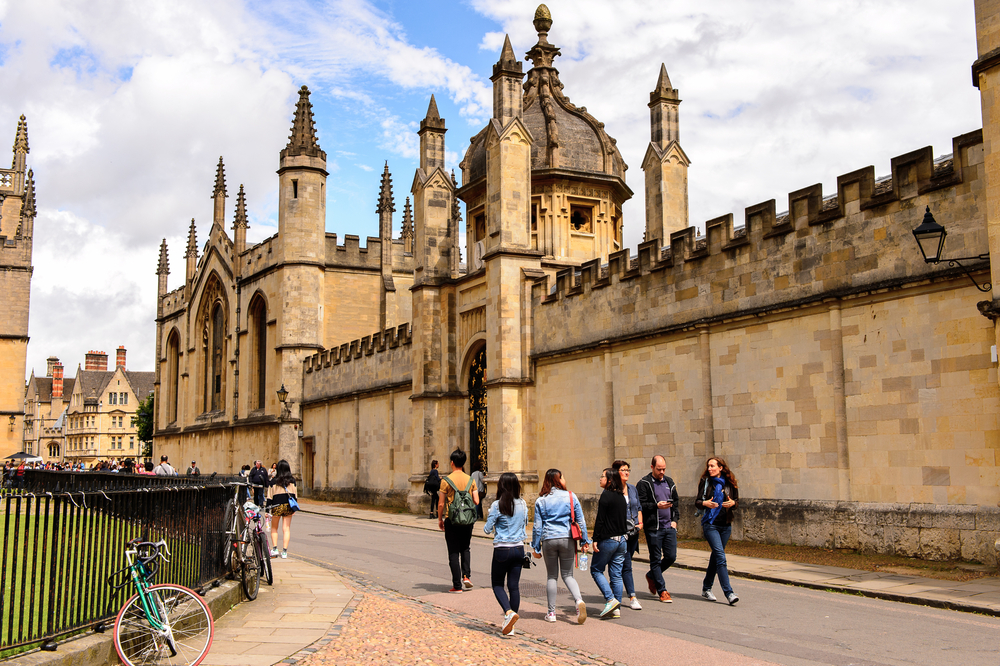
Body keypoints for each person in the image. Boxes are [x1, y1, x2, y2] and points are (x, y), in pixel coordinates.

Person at [531, 468, 590, 624]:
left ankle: (551, 613)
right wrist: (585, 541)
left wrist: (535, 547)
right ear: (558, 480)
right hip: (567, 538)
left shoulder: (541, 500)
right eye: (562, 477)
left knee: (552, 576)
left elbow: (537, 526)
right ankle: (578, 601)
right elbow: (581, 521)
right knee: (568, 575)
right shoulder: (570, 496)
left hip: (549, 539)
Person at [483, 472, 528, 636]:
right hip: (518, 548)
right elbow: (525, 523)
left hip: (502, 548)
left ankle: (508, 612)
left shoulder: (497, 505)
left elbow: (487, 529)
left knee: (497, 584)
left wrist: (491, 515)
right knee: (514, 586)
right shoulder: (522, 503)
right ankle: (512, 626)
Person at [695, 457, 740, 605]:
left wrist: (733, 503)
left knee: (716, 557)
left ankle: (706, 588)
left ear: (721, 467)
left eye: (712, 466)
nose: (709, 468)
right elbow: (697, 502)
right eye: (708, 466)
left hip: (725, 525)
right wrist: (705, 503)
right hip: (710, 524)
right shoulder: (706, 482)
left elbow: (736, 502)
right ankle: (729, 593)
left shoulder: (730, 483)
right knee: (721, 557)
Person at [637, 454, 679, 602]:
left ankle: (651, 575)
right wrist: (656, 505)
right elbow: (640, 505)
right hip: (654, 528)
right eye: (659, 469)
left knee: (671, 557)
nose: (662, 472)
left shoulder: (669, 482)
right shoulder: (644, 483)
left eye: (664, 469)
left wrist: (675, 520)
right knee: (655, 559)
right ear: (652, 467)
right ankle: (663, 590)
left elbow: (676, 503)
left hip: (669, 526)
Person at [437, 449, 480, 593]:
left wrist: (440, 519)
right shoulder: (471, 480)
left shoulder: (445, 481)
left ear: (452, 463)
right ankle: (466, 576)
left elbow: (441, 503)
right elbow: (476, 500)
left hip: (452, 519)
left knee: (453, 551)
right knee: (466, 548)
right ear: (464, 463)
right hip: (467, 520)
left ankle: (457, 585)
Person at [590, 468, 628, 619]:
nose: (600, 479)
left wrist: (595, 539)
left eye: (602, 477)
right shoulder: (621, 495)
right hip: (622, 540)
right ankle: (616, 607)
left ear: (610, 480)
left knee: (596, 570)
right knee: (616, 574)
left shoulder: (606, 495)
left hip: (609, 540)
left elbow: (600, 520)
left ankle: (610, 599)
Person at [613, 459, 643, 611]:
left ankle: (615, 591)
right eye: (623, 470)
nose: (626, 472)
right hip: (620, 533)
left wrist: (640, 524)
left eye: (627, 470)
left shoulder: (632, 488)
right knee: (626, 565)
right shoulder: (612, 491)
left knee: (625, 562)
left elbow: (638, 507)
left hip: (634, 532)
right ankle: (632, 596)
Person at [269, 459, 298, 559]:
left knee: (274, 528)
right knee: (286, 529)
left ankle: (275, 549)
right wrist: (294, 508)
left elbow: (269, 497)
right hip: (288, 506)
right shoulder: (292, 481)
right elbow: (295, 495)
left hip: (276, 506)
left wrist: (267, 510)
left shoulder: (273, 481)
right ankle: (284, 552)